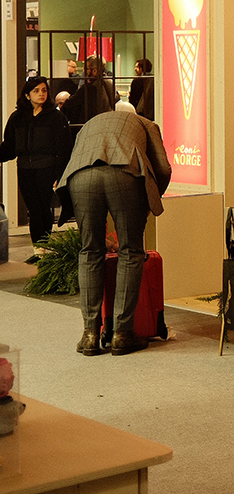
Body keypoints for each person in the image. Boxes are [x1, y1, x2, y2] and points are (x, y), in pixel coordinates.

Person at [61, 105, 172, 357]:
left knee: (90, 251)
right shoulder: (146, 124)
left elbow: (76, 156)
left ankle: (89, 335)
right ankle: (122, 333)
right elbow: (163, 169)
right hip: (125, 173)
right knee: (131, 251)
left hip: (80, 177)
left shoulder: (90, 123)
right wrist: (150, 200)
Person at [0, 76, 73, 242]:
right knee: (33, 209)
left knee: (43, 208)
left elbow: (64, 148)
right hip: (25, 169)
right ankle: (39, 247)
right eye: (36, 91)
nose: (41, 94)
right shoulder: (17, 118)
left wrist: (59, 174)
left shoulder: (56, 117)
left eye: (44, 90)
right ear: (27, 95)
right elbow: (9, 146)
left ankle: (43, 246)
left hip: (47, 168)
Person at [64, 55, 117, 126]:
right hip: (107, 124)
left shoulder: (89, 88)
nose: (84, 71)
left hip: (89, 126)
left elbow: (68, 106)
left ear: (95, 71)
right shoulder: (110, 83)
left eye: (86, 68)